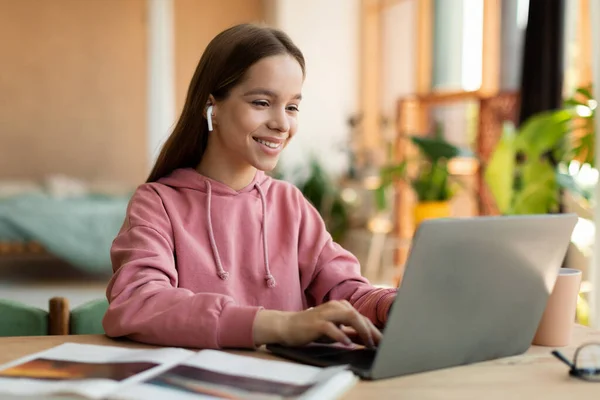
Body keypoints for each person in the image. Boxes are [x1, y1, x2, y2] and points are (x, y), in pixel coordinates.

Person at [102, 23, 397, 350]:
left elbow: (347, 292)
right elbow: (139, 302)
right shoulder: (157, 203)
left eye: (292, 107)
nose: (282, 123)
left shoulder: (290, 204)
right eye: (261, 102)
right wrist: (280, 325)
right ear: (210, 105)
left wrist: (391, 305)